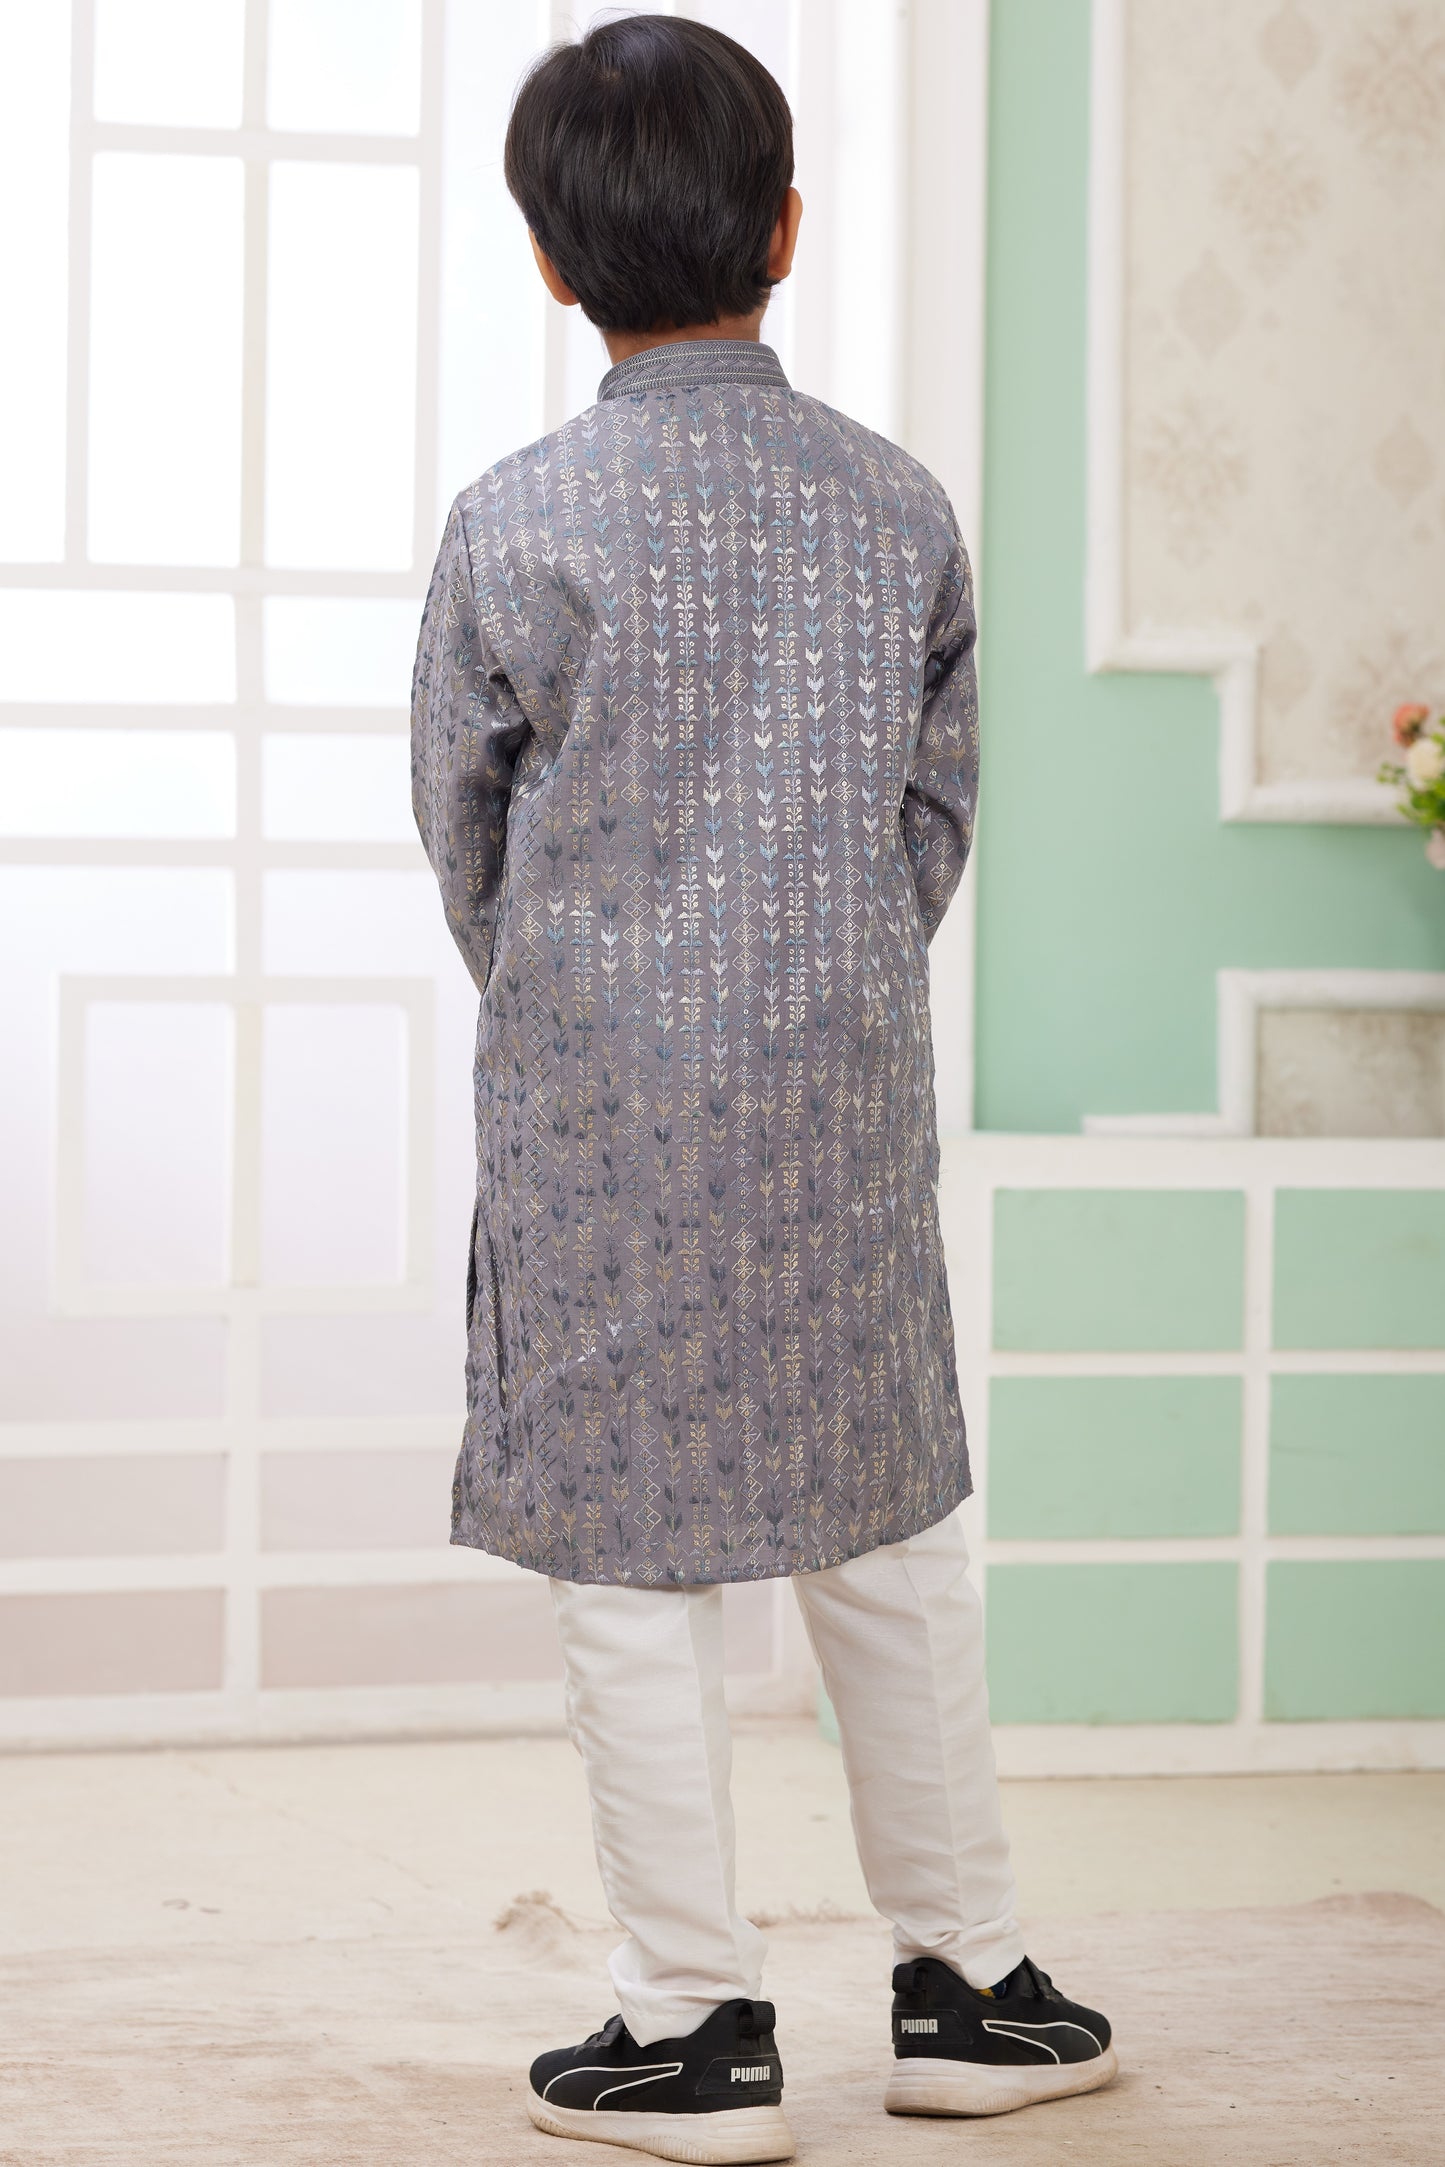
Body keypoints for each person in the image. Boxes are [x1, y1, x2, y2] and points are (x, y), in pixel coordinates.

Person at [411, 16, 1115, 2161]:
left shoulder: (518, 519)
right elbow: (936, 807)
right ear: (786, 230)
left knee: (629, 1570)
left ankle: (693, 2021)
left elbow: (466, 827)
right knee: (885, 1529)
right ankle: (972, 1982)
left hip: (599, 1110)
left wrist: (596, 1005)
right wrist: (819, 983)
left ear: (552, 262)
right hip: (835, 1094)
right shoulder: (893, 506)